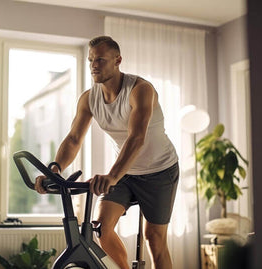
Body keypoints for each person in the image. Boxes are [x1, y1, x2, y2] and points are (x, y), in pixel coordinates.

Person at [35, 36, 179, 269]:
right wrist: (55, 169)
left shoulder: (140, 90)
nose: (94, 65)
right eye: (91, 60)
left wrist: (111, 176)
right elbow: (73, 139)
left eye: (100, 59)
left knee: (154, 237)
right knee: (100, 227)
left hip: (159, 170)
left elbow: (136, 137)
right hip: (125, 172)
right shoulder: (89, 98)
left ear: (117, 60)